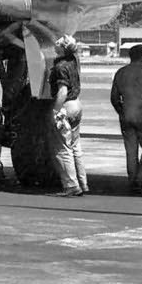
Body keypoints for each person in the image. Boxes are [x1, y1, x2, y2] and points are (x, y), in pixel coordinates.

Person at [110, 43, 142, 196]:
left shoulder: (121, 73)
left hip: (126, 116)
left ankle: (133, 181)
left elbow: (114, 98)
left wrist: (122, 111)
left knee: (131, 151)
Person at [49, 35, 88, 197]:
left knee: (62, 148)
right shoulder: (73, 61)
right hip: (77, 105)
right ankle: (82, 183)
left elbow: (62, 91)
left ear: (63, 48)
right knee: (75, 146)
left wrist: (55, 110)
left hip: (65, 107)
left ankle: (71, 185)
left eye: (59, 42)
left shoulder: (60, 67)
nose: (55, 43)